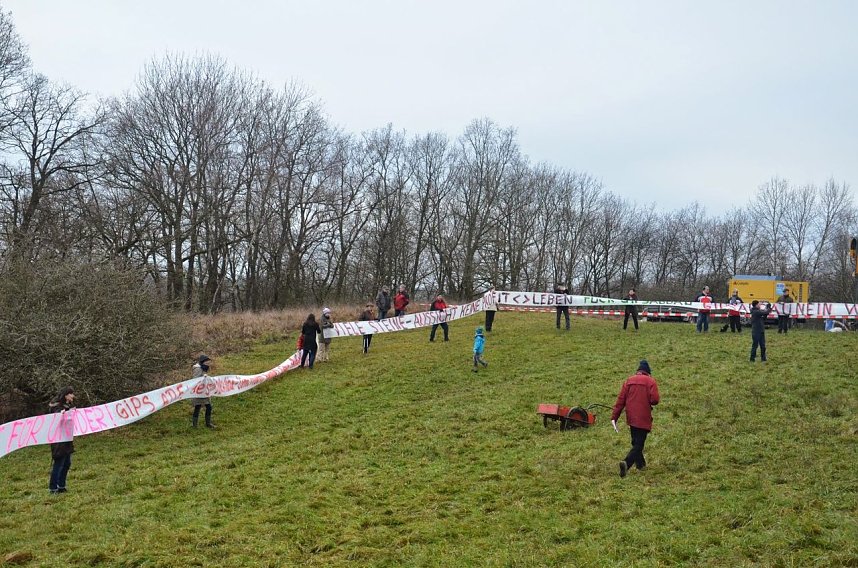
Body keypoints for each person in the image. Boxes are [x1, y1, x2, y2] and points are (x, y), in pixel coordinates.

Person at [611, 360, 660, 478]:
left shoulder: (629, 381)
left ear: (638, 371)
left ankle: (641, 465)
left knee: (635, 441)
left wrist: (614, 417)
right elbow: (655, 400)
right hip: (643, 416)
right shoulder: (651, 381)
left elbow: (620, 401)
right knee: (639, 444)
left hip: (631, 416)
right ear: (648, 372)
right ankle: (626, 463)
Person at [48, 386, 75, 494]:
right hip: (58, 440)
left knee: (67, 463)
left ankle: (61, 486)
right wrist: (61, 415)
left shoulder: (67, 406)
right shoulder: (56, 407)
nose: (73, 396)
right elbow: (55, 420)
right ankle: (53, 488)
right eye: (71, 393)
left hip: (67, 438)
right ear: (66, 395)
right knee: (59, 463)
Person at [190, 354, 215, 428]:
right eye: (207, 361)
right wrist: (203, 378)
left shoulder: (204, 368)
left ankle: (208, 423)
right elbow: (195, 379)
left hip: (205, 391)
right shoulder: (198, 369)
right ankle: (195, 425)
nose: (208, 363)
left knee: (209, 407)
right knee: (198, 407)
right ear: (203, 361)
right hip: (198, 392)